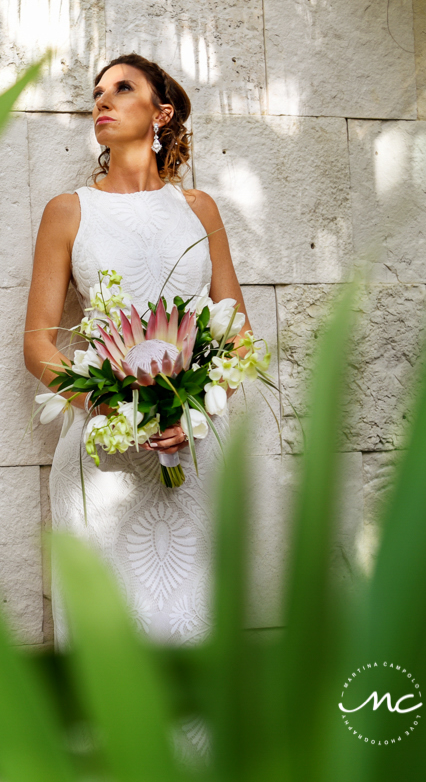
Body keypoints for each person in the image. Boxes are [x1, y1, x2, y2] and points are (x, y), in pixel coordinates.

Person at [23, 53, 255, 760]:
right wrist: (107, 401)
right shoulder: (69, 210)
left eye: (122, 89)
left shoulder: (198, 209)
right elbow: (37, 342)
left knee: (196, 630)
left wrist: (194, 409)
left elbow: (236, 331)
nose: (102, 101)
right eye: (96, 93)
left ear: (161, 114)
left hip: (194, 452)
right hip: (104, 460)